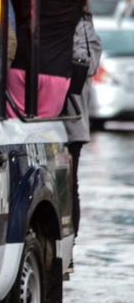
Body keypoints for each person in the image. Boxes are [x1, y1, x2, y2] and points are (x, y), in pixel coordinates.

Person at [63, 13, 102, 238]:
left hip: (72, 123)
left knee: (69, 187)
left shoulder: (84, 27)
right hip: (51, 120)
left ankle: (69, 244)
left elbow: (89, 64)